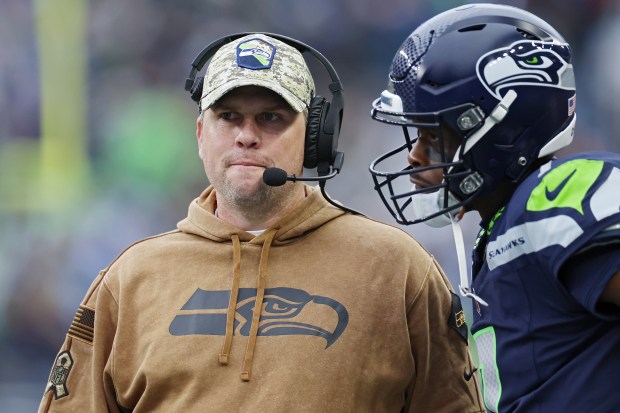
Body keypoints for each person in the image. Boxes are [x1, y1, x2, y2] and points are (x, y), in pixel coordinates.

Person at [38, 32, 484, 412]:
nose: (246, 135)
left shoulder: (396, 268)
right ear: (200, 135)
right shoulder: (131, 279)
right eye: (228, 116)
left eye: (270, 117)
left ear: (312, 139)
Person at [368, 3, 620, 413]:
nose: (415, 156)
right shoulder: (501, 232)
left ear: (503, 130)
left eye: (434, 136)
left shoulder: (559, 195)